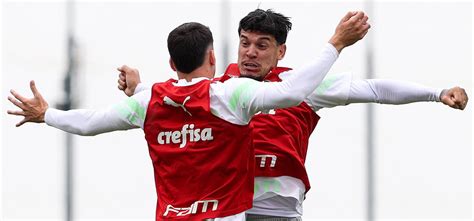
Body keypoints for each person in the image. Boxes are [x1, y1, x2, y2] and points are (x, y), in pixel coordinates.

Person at [7, 13, 369, 221]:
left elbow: (88, 123)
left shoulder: (151, 101)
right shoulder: (229, 93)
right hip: (227, 214)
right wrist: (335, 43)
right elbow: (290, 92)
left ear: (171, 63)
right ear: (213, 59)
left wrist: (48, 114)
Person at [118, 9, 468, 220]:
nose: (250, 53)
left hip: (278, 211)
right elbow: (169, 99)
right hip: (224, 208)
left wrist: (436, 94)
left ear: (280, 50)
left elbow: (374, 90)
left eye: (262, 45)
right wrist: (137, 88)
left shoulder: (301, 85)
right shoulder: (220, 88)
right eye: (245, 42)